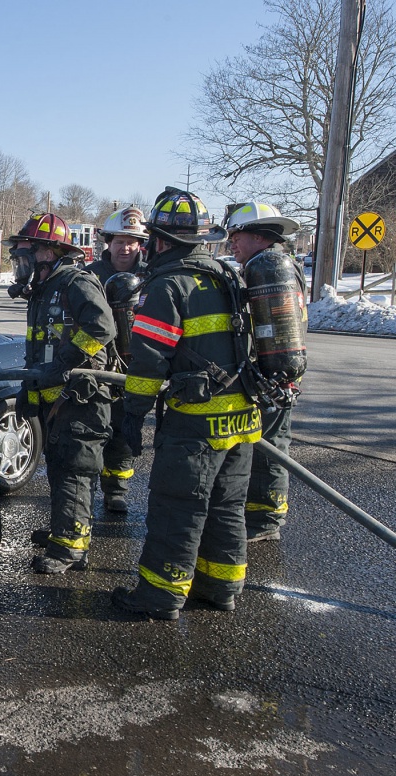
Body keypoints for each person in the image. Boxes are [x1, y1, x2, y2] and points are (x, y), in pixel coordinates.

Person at [113, 188, 261, 620]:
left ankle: (160, 596)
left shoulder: (167, 286)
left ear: (159, 241)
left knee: (178, 505)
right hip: (242, 418)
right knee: (226, 506)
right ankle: (220, 588)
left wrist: (133, 413)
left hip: (196, 422)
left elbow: (149, 362)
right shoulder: (228, 276)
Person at [7, 212, 116, 574]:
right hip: (58, 397)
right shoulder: (44, 289)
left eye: (27, 252)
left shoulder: (75, 283)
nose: (21, 261)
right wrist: (31, 390)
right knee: (59, 468)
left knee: (75, 470)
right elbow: (41, 351)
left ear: (50, 251)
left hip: (82, 398)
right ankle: (64, 531)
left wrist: (68, 362)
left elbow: (101, 327)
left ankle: (70, 548)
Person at [225, 201, 307, 543]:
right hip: (277, 372)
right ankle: (260, 513)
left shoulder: (267, 266)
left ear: (257, 236)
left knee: (271, 446)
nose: (232, 242)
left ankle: (267, 518)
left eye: (236, 235)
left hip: (274, 376)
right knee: (267, 443)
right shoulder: (276, 264)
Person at [86, 207, 151, 512]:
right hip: (96, 364)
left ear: (140, 245)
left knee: (124, 431)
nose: (125, 248)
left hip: (134, 365)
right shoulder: (90, 276)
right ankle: (82, 491)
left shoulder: (151, 276)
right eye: (120, 241)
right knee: (91, 428)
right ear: (108, 243)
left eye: (132, 241)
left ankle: (116, 490)